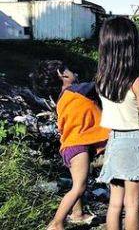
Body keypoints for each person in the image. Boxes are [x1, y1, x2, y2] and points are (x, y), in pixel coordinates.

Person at [95, 17, 139, 230]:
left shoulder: (101, 79)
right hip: (134, 142)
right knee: (132, 205)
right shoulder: (137, 82)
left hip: (113, 141)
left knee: (115, 203)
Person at [31, 60, 110, 230]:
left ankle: (77, 214)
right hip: (78, 145)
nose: (73, 72)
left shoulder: (61, 100)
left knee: (79, 182)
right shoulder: (76, 90)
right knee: (79, 186)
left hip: (70, 146)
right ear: (63, 75)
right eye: (69, 69)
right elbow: (100, 85)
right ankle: (57, 223)